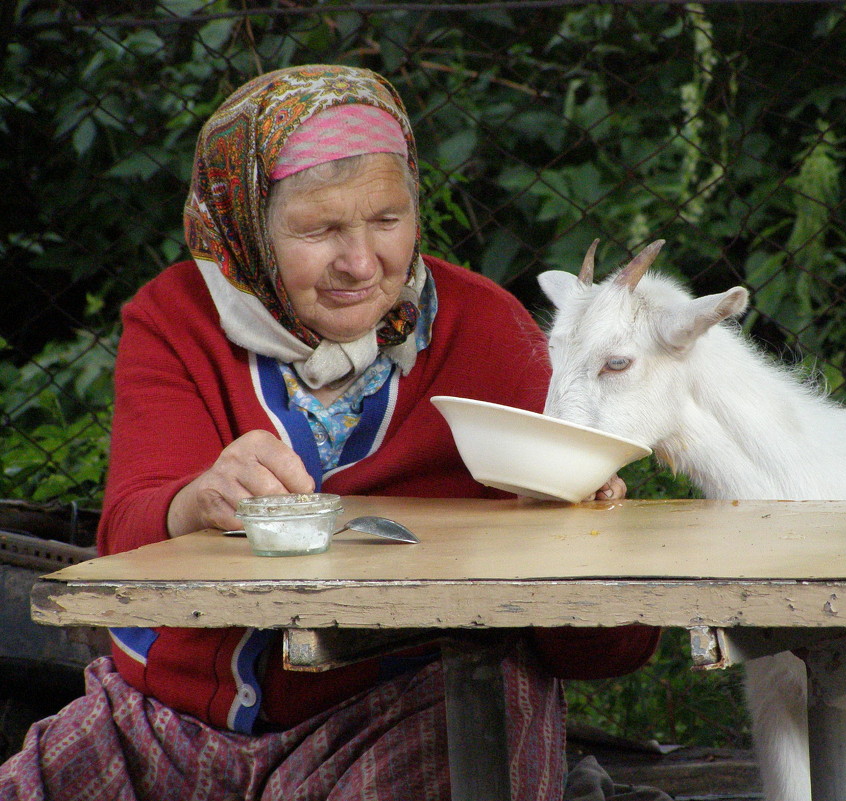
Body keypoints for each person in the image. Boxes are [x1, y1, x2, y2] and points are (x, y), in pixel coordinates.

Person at [0, 65, 658, 799]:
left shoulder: (490, 335)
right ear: (243, 223)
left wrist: (579, 546)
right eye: (318, 229)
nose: (359, 261)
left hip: (403, 709)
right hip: (163, 719)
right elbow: (124, 541)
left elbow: (612, 649)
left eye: (387, 220)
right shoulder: (177, 317)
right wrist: (195, 500)